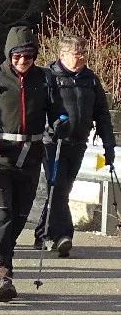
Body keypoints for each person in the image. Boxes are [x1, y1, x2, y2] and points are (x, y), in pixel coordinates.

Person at [0, 26, 69, 302]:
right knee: (0, 214)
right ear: (9, 55)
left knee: (19, 218)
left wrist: (60, 124)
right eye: (18, 56)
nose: (23, 62)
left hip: (31, 159)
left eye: (29, 57)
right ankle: (2, 274)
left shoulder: (45, 80)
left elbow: (58, 112)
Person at [34, 37, 116, 257]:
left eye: (83, 53)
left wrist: (109, 145)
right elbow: (36, 109)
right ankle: (62, 235)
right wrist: (51, 125)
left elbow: (102, 114)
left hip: (78, 143)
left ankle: (42, 233)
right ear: (63, 55)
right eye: (76, 54)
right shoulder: (48, 76)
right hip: (52, 142)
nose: (81, 58)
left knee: (62, 190)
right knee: (58, 188)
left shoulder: (90, 79)